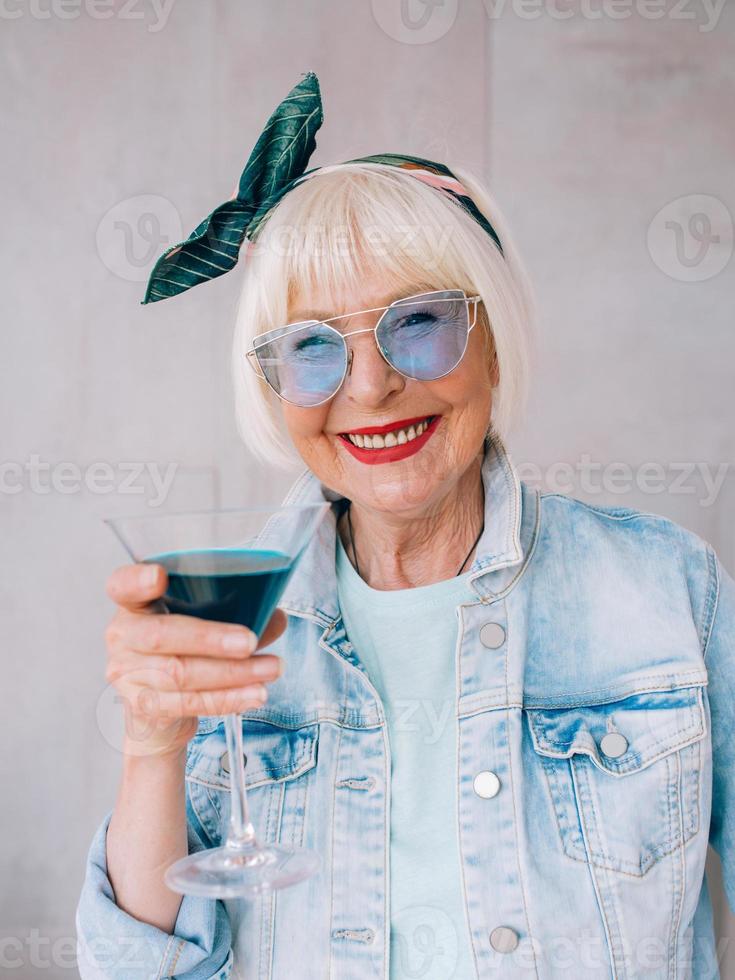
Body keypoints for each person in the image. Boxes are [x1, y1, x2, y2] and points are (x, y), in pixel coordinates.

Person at [76, 73, 735, 979]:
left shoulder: (670, 589)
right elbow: (138, 971)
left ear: (493, 339)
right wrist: (154, 745)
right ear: (270, 384)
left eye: (417, 323)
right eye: (312, 345)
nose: (369, 387)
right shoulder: (219, 622)